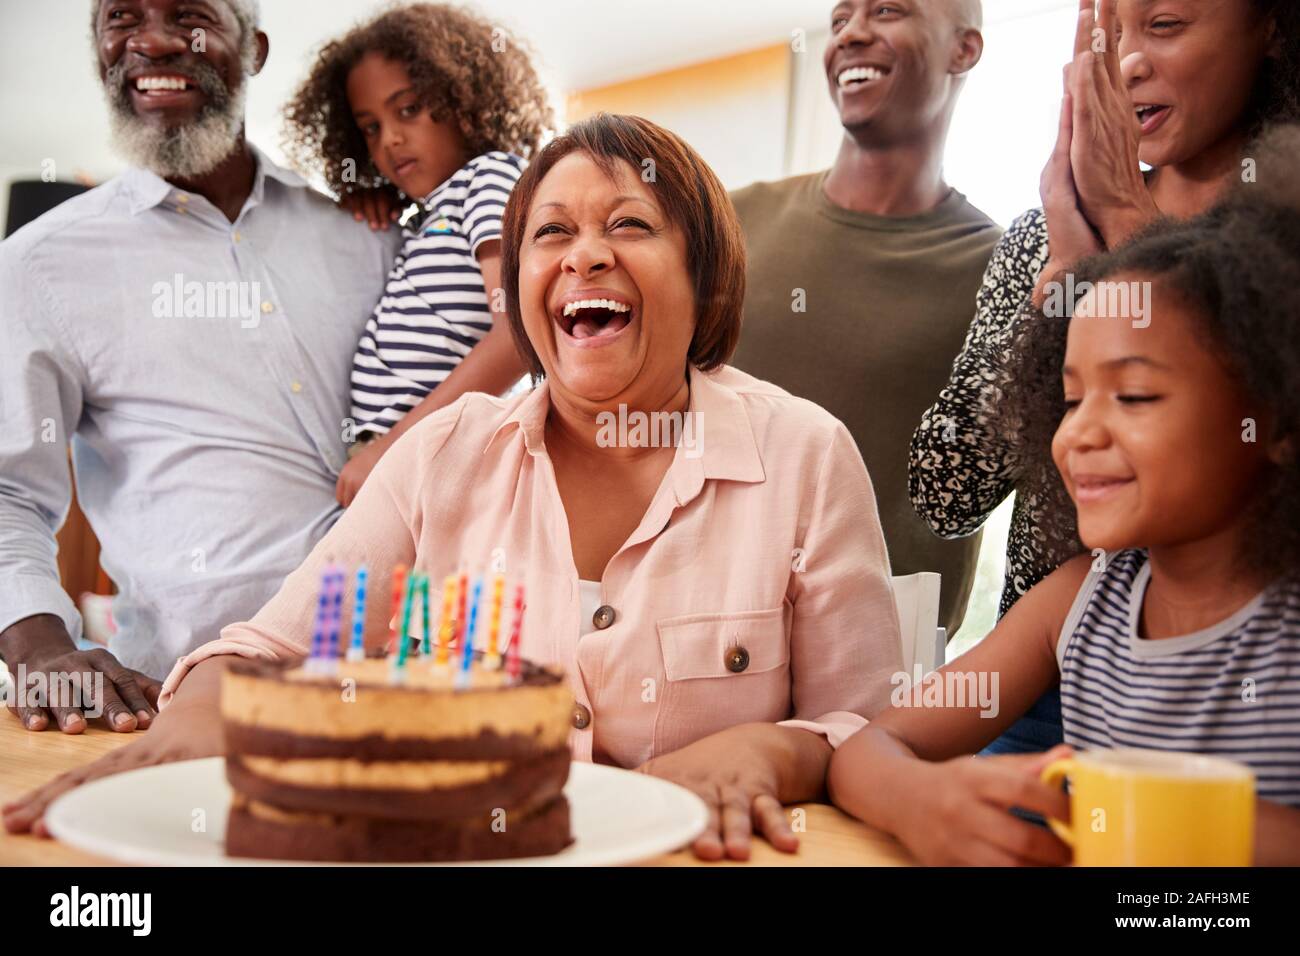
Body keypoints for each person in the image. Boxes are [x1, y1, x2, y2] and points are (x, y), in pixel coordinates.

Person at [4, 115, 904, 863]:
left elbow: (866, 734)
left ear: (704, 277)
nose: (584, 256)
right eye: (551, 233)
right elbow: (262, 651)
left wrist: (771, 751)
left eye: (629, 225)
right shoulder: (444, 453)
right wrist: (200, 719)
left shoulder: (805, 455)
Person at [829, 125, 1300, 866]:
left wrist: (1155, 815)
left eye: (1137, 395)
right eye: (1073, 399)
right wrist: (922, 800)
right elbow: (874, 746)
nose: (1078, 434)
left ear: (1275, 419)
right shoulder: (1079, 603)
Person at [910, 0, 1300, 754]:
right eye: (1109, 35)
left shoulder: (1281, 243)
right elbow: (943, 491)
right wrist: (1056, 289)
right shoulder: (1040, 233)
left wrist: (1126, 238)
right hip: (1047, 682)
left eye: (1165, 25)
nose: (1126, 63)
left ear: (1272, 27)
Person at [0, 0, 397, 733]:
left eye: (189, 15)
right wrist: (41, 646)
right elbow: (6, 493)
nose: (152, 41)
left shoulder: (368, 232)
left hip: (407, 689)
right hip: (180, 710)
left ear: (254, 49)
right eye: (121, 19)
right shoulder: (38, 266)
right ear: (98, 51)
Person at [729, 0, 999, 638]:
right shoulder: (731, 220)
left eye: (885, 11)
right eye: (840, 18)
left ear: (964, 48)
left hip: (877, 654)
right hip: (686, 626)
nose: (851, 34)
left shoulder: (1002, 268)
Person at [281, 3, 554, 506]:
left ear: (464, 99)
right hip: (404, 465)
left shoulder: (491, 177)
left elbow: (517, 333)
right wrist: (374, 202)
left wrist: (390, 447)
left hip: (443, 461)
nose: (391, 139)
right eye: (370, 127)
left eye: (407, 109)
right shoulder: (427, 214)